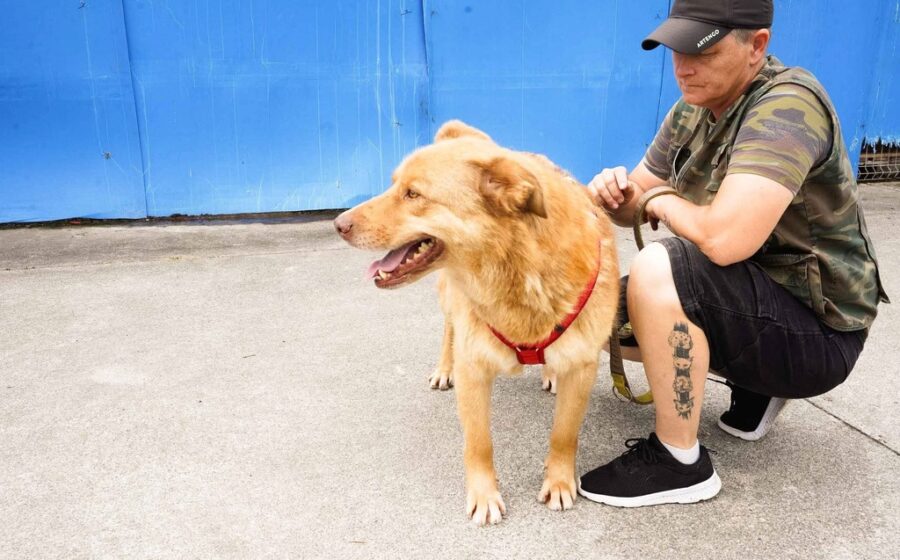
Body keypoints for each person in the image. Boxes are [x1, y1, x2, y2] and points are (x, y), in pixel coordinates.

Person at [578, 0, 889, 507]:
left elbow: (725, 240)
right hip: (758, 299)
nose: (683, 67)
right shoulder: (693, 108)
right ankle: (757, 386)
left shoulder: (788, 106)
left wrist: (658, 200)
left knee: (661, 268)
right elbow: (636, 201)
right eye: (676, 50)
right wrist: (617, 194)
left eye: (702, 51)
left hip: (821, 333)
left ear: (756, 46)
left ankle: (679, 461)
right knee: (596, 312)